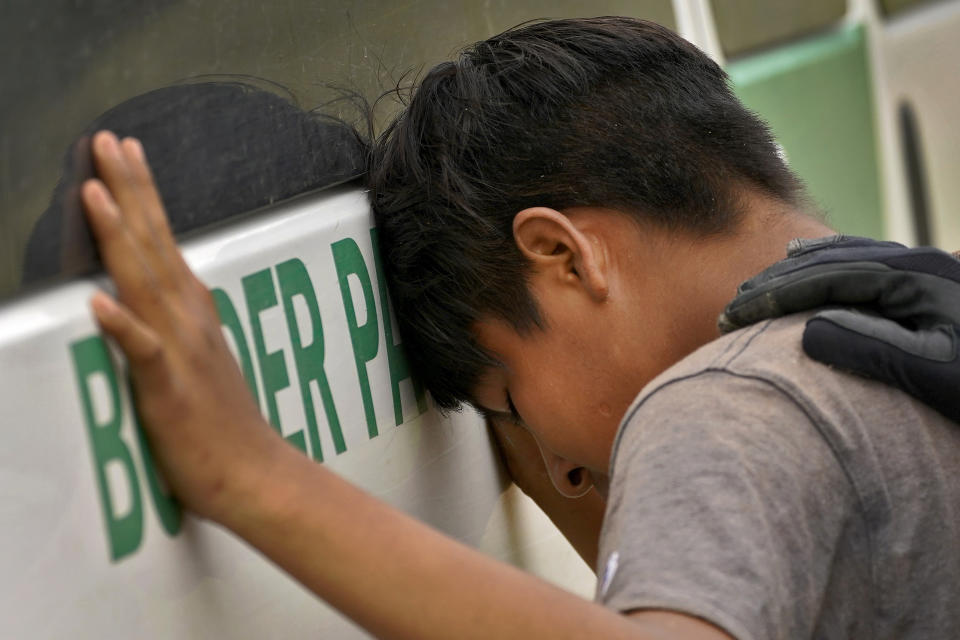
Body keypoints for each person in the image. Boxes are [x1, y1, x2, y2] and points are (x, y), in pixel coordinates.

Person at [77, 17, 959, 640]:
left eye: (506, 397)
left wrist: (253, 474)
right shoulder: (899, 322)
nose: (560, 468)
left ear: (567, 257)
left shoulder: (729, 403)